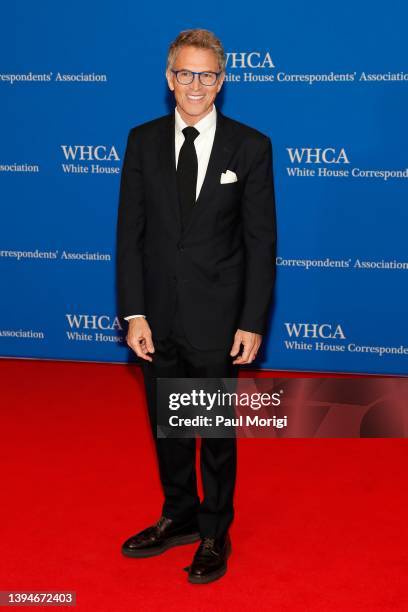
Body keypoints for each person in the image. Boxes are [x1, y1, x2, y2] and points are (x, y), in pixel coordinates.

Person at [116, 28, 276, 584]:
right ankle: (179, 515)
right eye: (185, 73)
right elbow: (129, 234)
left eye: (206, 74)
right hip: (157, 317)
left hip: (217, 316)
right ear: (169, 78)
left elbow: (261, 241)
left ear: (222, 80)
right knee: (170, 426)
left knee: (212, 430)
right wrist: (133, 312)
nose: (195, 85)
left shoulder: (250, 147)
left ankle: (214, 530)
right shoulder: (141, 142)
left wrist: (252, 320)